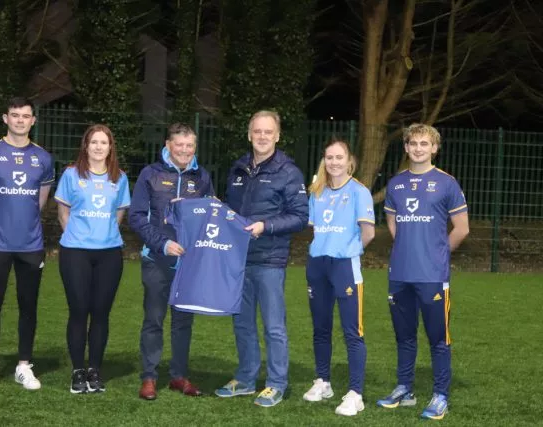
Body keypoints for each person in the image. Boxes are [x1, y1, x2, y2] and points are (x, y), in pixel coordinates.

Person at [214, 110, 308, 407]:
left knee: (273, 326)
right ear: (249, 134)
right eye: (257, 131)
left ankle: (277, 383)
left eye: (268, 132)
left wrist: (265, 226)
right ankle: (244, 378)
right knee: (242, 323)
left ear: (277, 136)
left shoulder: (289, 172)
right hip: (238, 259)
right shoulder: (238, 168)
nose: (262, 136)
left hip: (269, 259)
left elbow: (300, 216)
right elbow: (232, 210)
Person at [377, 123, 469, 420]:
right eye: (413, 143)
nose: (418, 148)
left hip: (432, 275)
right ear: (405, 147)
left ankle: (441, 394)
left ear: (434, 148)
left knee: (438, 338)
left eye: (424, 144)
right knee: (404, 336)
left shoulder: (447, 183)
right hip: (400, 273)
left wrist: (439, 253)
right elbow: (393, 225)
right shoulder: (396, 184)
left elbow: (462, 229)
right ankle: (404, 387)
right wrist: (408, 246)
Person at [0, 96, 54, 392]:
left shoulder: (43, 159)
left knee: (28, 306)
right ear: (5, 118)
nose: (20, 120)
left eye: (26, 116)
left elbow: (39, 203)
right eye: (15, 115)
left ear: (33, 120)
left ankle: (23, 366)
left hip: (30, 245)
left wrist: (20, 226)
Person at [129, 122, 214, 400]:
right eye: (179, 145)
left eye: (190, 146)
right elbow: (137, 216)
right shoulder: (150, 174)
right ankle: (149, 377)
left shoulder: (202, 177)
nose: (185, 150)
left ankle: (178, 375)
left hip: (189, 264)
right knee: (154, 319)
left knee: (183, 323)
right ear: (168, 145)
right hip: (156, 259)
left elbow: (210, 215)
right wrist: (162, 243)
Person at [54, 124, 130, 394]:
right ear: (85, 146)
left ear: (110, 148)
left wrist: (102, 237)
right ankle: (77, 371)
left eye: (104, 143)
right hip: (75, 252)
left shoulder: (119, 178)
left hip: (109, 253)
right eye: (94, 142)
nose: (99, 147)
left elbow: (118, 215)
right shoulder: (71, 175)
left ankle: (95, 370)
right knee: (79, 311)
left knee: (101, 313)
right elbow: (63, 212)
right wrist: (78, 237)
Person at [303, 139, 375, 416]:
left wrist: (350, 251)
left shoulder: (359, 191)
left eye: (339, 157)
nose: (334, 162)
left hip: (345, 266)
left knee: (352, 332)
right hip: (318, 265)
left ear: (349, 161)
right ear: (324, 161)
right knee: (321, 328)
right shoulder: (317, 191)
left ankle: (355, 393)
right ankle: (323, 381)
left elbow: (367, 233)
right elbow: (314, 227)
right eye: (329, 158)